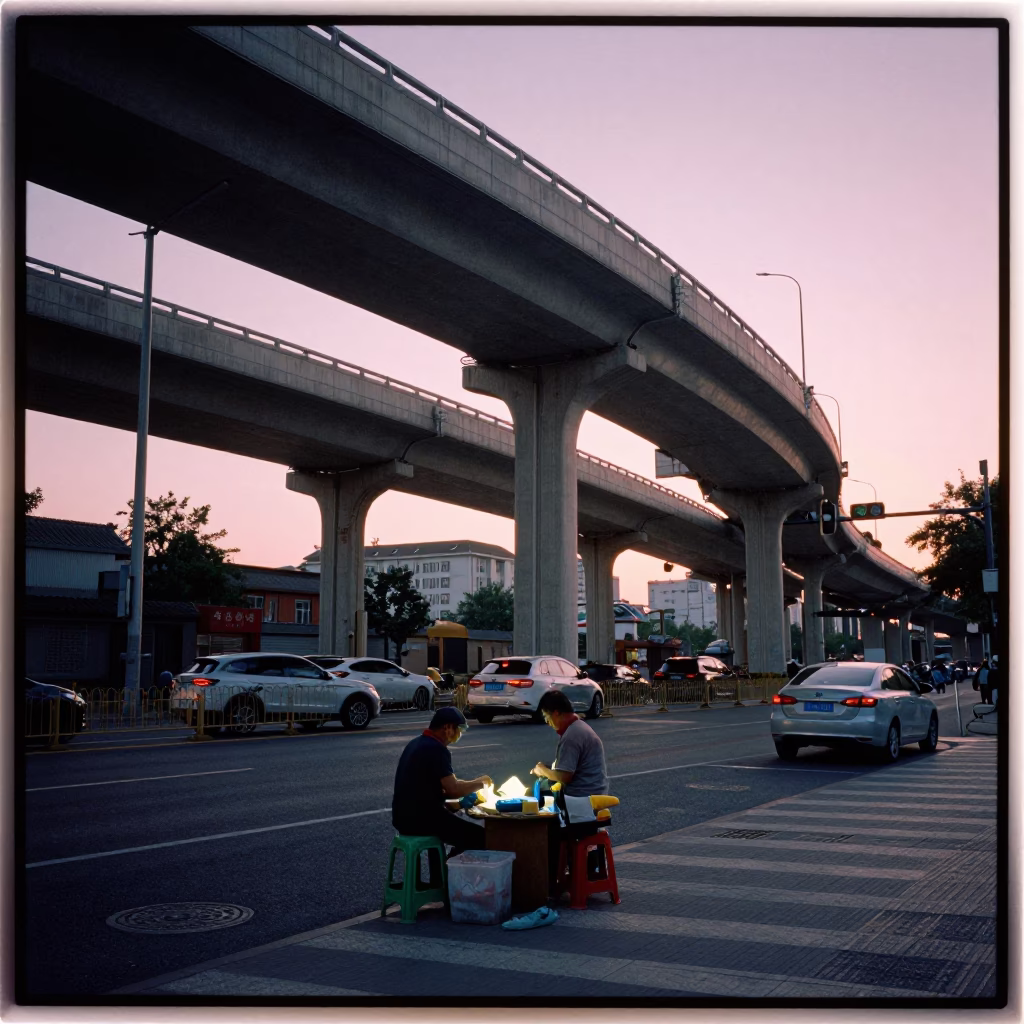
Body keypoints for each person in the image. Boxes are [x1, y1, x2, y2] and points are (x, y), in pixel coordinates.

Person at [531, 690, 609, 893]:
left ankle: (548, 885)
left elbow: (565, 776)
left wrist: (542, 770)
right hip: (586, 797)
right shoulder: (578, 728)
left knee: (541, 826)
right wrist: (549, 770)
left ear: (556, 713)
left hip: (581, 802)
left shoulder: (573, 735)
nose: (548, 723)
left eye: (547, 717)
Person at [391, 707, 491, 857]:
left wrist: (455, 802)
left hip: (402, 818)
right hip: (421, 820)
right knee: (480, 836)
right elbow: (453, 789)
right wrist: (481, 782)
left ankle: (440, 876)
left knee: (448, 826)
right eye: (459, 730)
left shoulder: (417, 743)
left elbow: (439, 785)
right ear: (447, 727)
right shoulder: (436, 749)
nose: (459, 734)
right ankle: (451, 871)